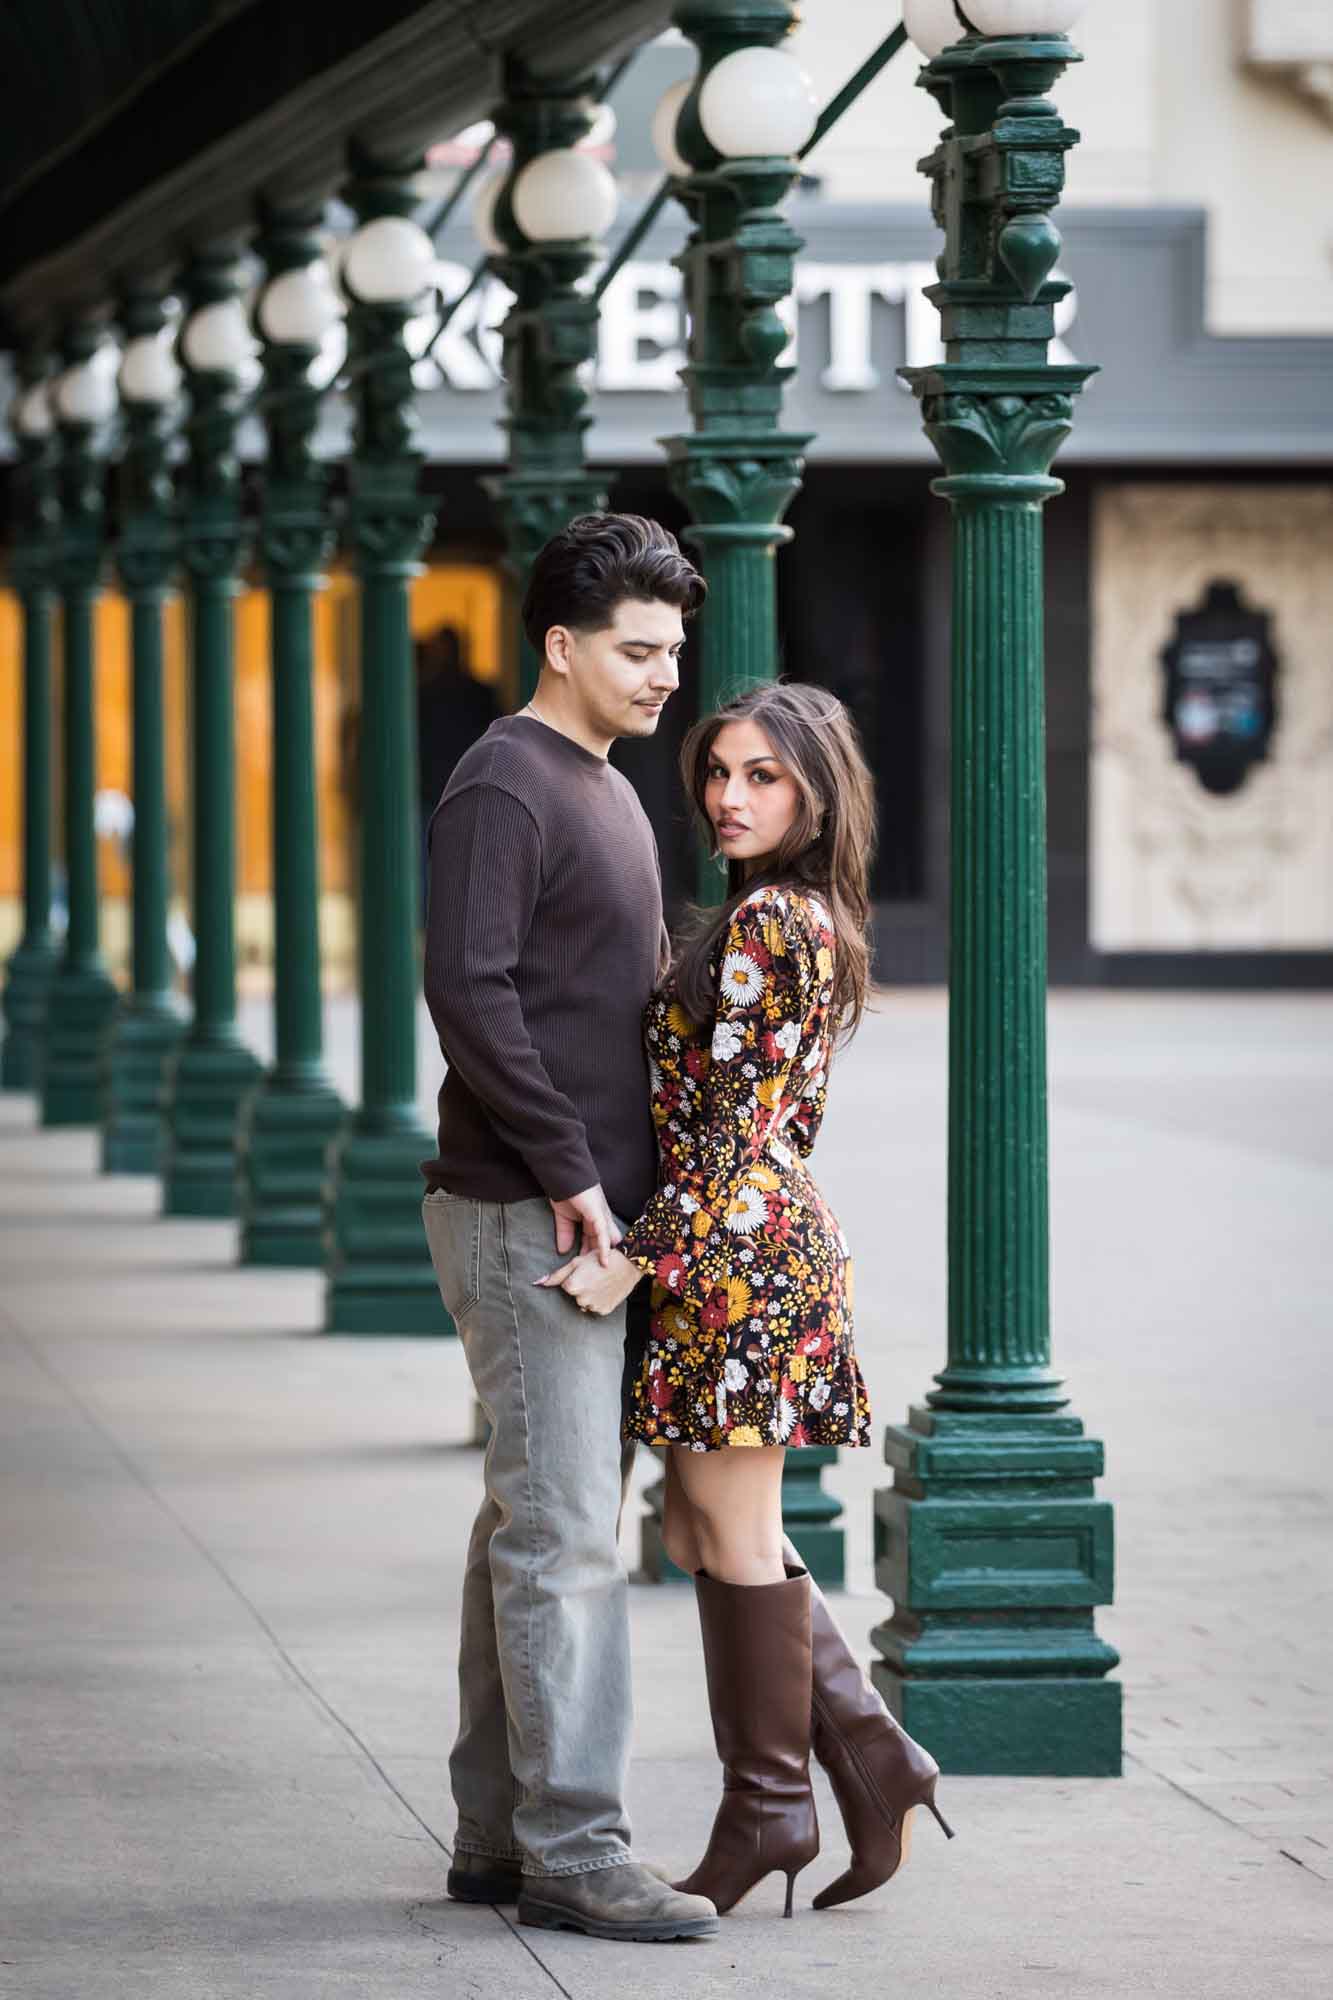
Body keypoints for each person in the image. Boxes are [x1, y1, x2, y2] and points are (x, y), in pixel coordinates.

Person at [541, 681, 955, 1917]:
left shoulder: (778, 919)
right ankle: (868, 1759)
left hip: (738, 1261)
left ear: (816, 789)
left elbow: (736, 1130)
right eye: (717, 772)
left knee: (719, 1535)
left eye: (762, 776)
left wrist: (635, 1253)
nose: (728, 796)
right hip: (742, 1252)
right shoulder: (797, 914)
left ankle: (773, 1805)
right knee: (703, 1533)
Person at [419, 514, 719, 1943]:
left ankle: (497, 1836)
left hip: (589, 1216)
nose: (669, 675)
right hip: (529, 1215)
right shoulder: (507, 783)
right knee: (564, 1540)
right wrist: (570, 1168)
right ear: (562, 645)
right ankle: (577, 1850)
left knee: (522, 1530)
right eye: (639, 649)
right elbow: (469, 993)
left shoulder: (602, 784)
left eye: (674, 649)